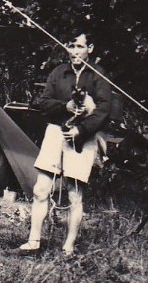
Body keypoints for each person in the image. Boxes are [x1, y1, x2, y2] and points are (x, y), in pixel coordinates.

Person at [19, 32, 112, 256]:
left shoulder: (99, 75)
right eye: (71, 46)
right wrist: (66, 107)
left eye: (79, 46)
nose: (74, 51)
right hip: (55, 132)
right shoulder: (58, 72)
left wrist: (82, 129)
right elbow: (43, 102)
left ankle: (68, 246)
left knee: (74, 194)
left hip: (84, 138)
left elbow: (105, 109)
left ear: (90, 48)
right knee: (41, 189)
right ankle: (34, 241)